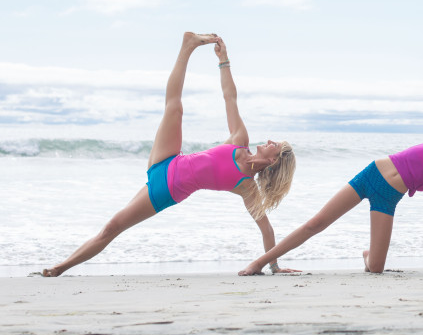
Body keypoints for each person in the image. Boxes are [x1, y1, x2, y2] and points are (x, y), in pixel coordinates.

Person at [42, 32, 297, 277]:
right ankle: (187, 46)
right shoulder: (239, 141)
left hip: (167, 190)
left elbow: (266, 229)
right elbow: (230, 97)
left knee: (113, 227)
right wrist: (223, 60)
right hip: (170, 159)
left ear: (274, 160)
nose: (271, 140)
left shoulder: (246, 187)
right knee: (174, 108)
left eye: (276, 144)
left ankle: (60, 268)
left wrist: (273, 266)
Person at [238, 42, 423, 275]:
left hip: (389, 197)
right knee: (317, 223)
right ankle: (259, 263)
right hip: (371, 175)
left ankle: (368, 255)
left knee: (376, 269)